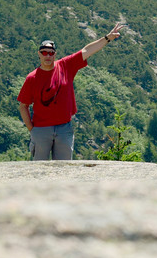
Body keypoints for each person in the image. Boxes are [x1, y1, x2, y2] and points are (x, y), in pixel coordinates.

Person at [17, 22, 124, 160]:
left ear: (55, 54)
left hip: (64, 129)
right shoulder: (32, 78)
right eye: (44, 52)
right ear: (39, 54)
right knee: (39, 170)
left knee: (64, 169)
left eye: (51, 53)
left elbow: (87, 51)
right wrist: (32, 130)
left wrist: (107, 38)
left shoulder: (65, 66)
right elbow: (23, 105)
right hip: (41, 129)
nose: (47, 56)